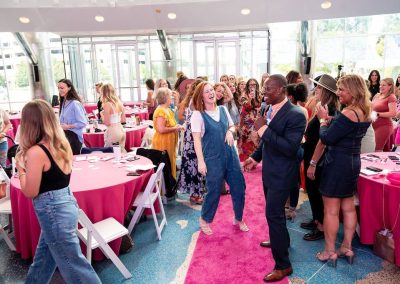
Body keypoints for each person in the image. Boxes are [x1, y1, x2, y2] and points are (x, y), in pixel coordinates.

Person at [15, 99, 101, 284]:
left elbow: (30, 191)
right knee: (43, 261)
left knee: (75, 267)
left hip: (53, 210)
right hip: (66, 203)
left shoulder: (36, 152)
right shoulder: (61, 144)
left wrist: (21, 169)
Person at [244, 74, 306, 282]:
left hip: (282, 173)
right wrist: (255, 157)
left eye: (268, 88)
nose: (263, 92)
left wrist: (262, 128)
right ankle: (282, 241)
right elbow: (268, 142)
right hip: (269, 170)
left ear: (280, 90)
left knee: (273, 215)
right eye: (264, 88)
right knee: (276, 214)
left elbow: (289, 148)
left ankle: (283, 265)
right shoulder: (268, 108)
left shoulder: (297, 114)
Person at [314, 74, 371, 267]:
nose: (337, 93)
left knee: (330, 210)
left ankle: (329, 251)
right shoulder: (364, 110)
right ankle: (347, 247)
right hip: (353, 162)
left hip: (337, 163)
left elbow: (328, 138)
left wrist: (322, 121)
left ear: (353, 91)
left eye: (342, 89)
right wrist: (332, 119)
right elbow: (346, 129)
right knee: (348, 207)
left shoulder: (349, 112)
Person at [191, 81, 248, 235]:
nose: (211, 93)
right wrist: (201, 162)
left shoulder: (223, 109)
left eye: (211, 90)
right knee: (214, 191)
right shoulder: (197, 115)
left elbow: (232, 127)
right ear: (201, 97)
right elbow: (196, 140)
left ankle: (238, 217)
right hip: (212, 158)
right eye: (206, 91)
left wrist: (230, 131)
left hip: (231, 156)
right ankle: (204, 219)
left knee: (239, 187)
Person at [303, 75, 339, 241]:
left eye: (318, 87)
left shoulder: (329, 110)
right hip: (311, 152)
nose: (315, 89)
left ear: (325, 91)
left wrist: (313, 163)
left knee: (316, 190)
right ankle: (317, 219)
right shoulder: (322, 106)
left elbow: (323, 141)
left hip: (318, 157)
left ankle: (322, 227)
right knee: (311, 189)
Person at [176, 79, 205, 205]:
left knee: (193, 163)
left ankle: (196, 193)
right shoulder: (195, 101)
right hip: (193, 137)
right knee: (194, 164)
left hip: (190, 136)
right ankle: (196, 194)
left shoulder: (193, 100)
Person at [152, 87, 182, 179]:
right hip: (162, 143)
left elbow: (172, 124)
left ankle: (170, 185)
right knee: (165, 164)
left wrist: (177, 127)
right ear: (165, 97)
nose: (171, 98)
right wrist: (174, 129)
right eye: (170, 96)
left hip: (169, 142)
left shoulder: (167, 110)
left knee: (170, 162)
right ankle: (165, 188)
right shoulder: (160, 111)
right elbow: (161, 129)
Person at [58, 79, 87, 155]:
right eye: (58, 88)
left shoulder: (75, 103)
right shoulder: (63, 102)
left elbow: (83, 123)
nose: (60, 90)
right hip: (65, 136)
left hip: (74, 137)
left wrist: (68, 126)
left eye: (62, 88)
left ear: (69, 88)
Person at [238, 78, 261, 161]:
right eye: (251, 84)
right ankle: (244, 162)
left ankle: (253, 161)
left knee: (255, 142)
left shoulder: (259, 95)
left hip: (256, 122)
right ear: (247, 86)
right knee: (245, 143)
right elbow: (246, 107)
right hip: (245, 123)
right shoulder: (243, 96)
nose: (252, 86)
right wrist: (250, 98)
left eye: (254, 84)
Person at [371, 77, 396, 151]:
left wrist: (377, 114)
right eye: (380, 85)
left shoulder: (391, 97)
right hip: (373, 126)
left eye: (384, 85)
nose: (381, 87)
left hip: (384, 126)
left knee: (376, 150)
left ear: (390, 86)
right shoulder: (377, 95)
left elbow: (393, 113)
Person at [100, 83, 127, 151]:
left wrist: (102, 115)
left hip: (113, 131)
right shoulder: (119, 103)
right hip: (121, 130)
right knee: (121, 151)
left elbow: (107, 123)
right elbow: (123, 120)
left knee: (110, 153)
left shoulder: (107, 104)